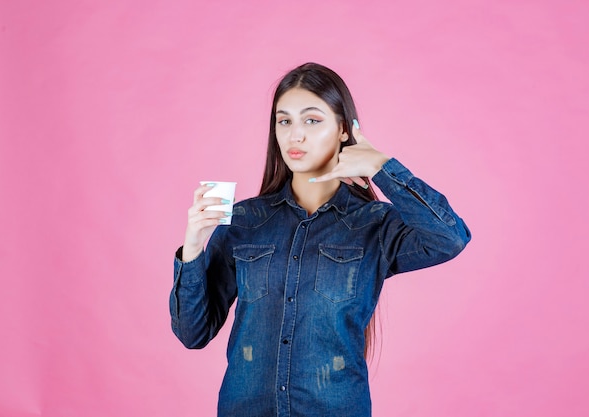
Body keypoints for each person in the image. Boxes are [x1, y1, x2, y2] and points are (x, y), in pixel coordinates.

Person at [170, 62, 471, 417]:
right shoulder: (244, 220)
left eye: (311, 120)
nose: (295, 136)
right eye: (285, 121)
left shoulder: (374, 225)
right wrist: (192, 250)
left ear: (344, 129)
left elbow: (449, 237)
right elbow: (193, 333)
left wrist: (381, 166)